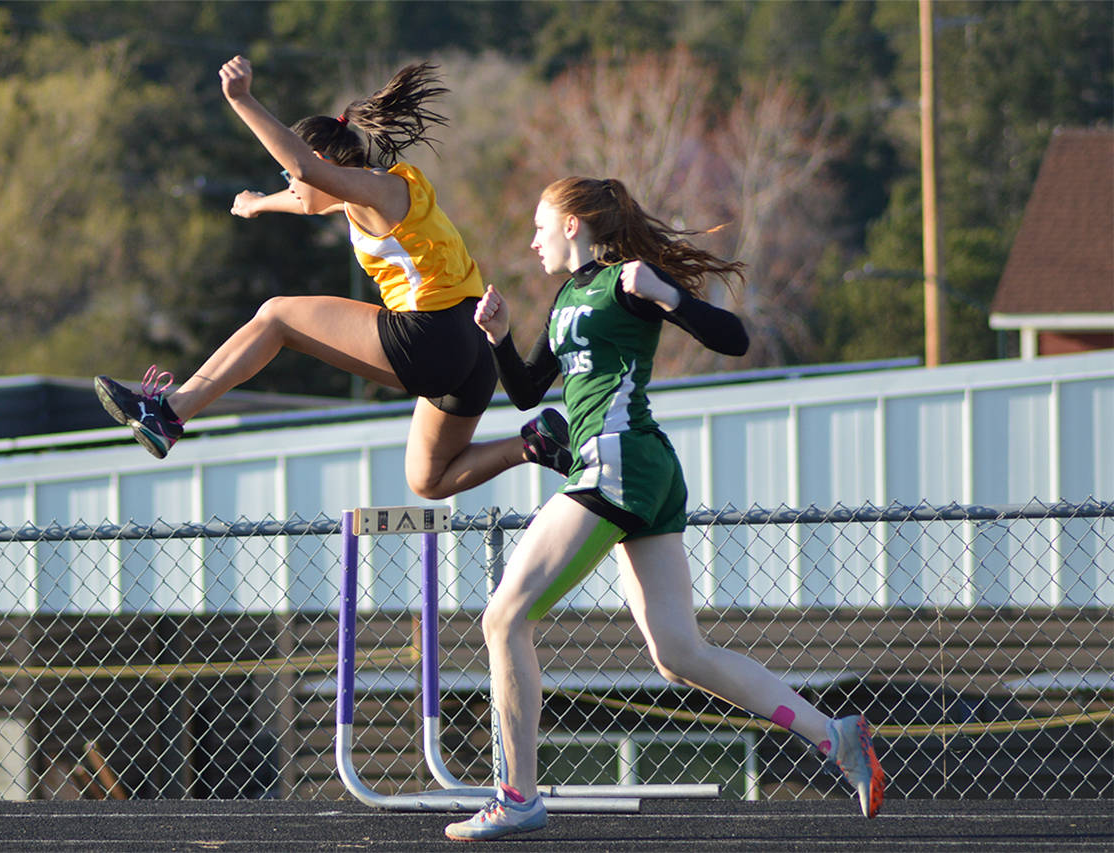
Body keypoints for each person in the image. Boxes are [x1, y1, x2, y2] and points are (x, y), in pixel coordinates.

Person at [444, 176, 884, 841]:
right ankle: (837, 736)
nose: (531, 239)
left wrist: (669, 294)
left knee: (504, 617)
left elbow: (732, 338)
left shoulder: (628, 280)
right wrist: (500, 337)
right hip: (639, 470)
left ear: (574, 224)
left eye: (541, 224)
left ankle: (517, 794)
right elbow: (531, 391)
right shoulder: (570, 294)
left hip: (620, 464)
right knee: (678, 653)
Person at [94, 56, 571, 498]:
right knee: (428, 479)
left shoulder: (378, 191)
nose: (292, 185)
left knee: (277, 316)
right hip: (472, 351)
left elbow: (302, 169)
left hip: (431, 336)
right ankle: (533, 445)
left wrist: (242, 100)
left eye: (289, 178)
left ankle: (168, 414)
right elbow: (308, 194)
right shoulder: (376, 192)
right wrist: (260, 202)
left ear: (324, 164)